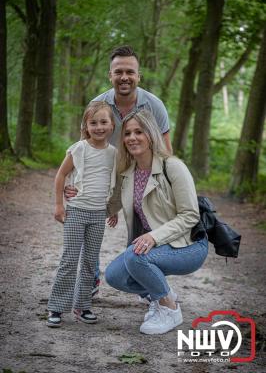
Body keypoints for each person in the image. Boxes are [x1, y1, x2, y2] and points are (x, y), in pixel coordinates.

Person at [65, 45, 172, 295]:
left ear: (138, 75)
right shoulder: (96, 104)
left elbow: (166, 151)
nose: (124, 77)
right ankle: (90, 280)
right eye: (119, 71)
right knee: (86, 223)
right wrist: (72, 182)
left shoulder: (155, 106)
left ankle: (148, 286)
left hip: (141, 175)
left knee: (144, 231)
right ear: (110, 75)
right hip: (103, 176)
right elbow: (82, 148)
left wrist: (166, 185)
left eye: (130, 72)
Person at [105, 110, 208, 335]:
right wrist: (74, 191)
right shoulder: (128, 173)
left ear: (151, 135)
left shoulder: (173, 167)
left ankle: (169, 310)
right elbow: (110, 204)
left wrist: (154, 236)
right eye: (128, 133)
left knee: (135, 256)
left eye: (138, 132)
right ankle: (162, 292)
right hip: (153, 247)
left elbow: (190, 216)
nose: (132, 137)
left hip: (188, 246)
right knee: (114, 276)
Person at [47, 101, 117, 328]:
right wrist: (59, 205)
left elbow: (115, 183)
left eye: (103, 122)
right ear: (86, 126)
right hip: (76, 211)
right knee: (69, 259)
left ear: (112, 125)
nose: (99, 127)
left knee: (90, 261)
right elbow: (61, 175)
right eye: (93, 123)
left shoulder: (114, 154)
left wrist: (113, 209)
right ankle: (56, 307)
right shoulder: (79, 148)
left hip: (98, 214)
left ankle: (83, 305)